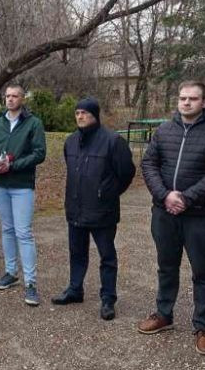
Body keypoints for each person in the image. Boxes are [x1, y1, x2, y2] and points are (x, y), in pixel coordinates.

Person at [137, 81, 205, 356]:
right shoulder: (164, 130)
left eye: (193, 99)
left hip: (200, 215)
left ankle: (203, 326)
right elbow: (149, 163)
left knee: (202, 271)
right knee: (166, 266)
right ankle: (164, 314)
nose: (186, 103)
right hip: (164, 212)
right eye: (182, 98)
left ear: (204, 102)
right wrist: (165, 195)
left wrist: (187, 197)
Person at [51, 98, 135, 320]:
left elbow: (126, 172)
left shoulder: (113, 141)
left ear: (95, 115)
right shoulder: (70, 142)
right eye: (77, 112)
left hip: (102, 211)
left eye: (84, 113)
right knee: (76, 253)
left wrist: (108, 192)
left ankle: (108, 299)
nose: (80, 116)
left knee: (107, 256)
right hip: (76, 208)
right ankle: (75, 289)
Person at [0, 84, 46, 306]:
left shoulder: (33, 123)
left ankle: (30, 283)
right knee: (7, 229)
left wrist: (14, 165)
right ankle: (10, 272)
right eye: (7, 96)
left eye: (14, 96)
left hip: (21, 185)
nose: (10, 99)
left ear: (22, 99)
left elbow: (40, 153)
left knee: (24, 233)